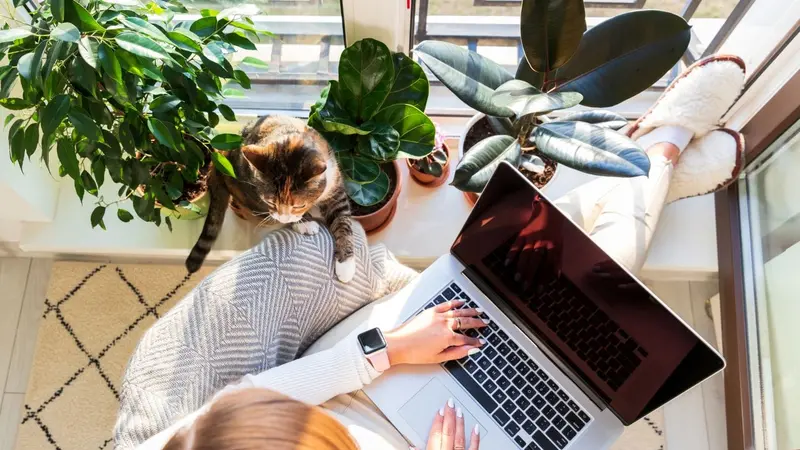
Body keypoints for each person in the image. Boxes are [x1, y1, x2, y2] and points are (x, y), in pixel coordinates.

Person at [130, 54, 746, 450]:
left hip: (354, 382)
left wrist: (385, 351)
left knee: (531, 281)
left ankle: (650, 164)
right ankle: (653, 163)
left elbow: (258, 398)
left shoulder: (189, 445)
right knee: (580, 305)